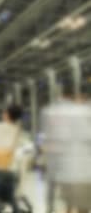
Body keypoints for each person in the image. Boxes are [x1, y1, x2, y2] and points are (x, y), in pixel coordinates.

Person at [42, 84, 91, 213]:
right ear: (73, 95)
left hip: (62, 167)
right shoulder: (81, 112)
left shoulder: (49, 110)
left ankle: (50, 208)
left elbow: (47, 135)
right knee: (82, 206)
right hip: (81, 169)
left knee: (66, 202)